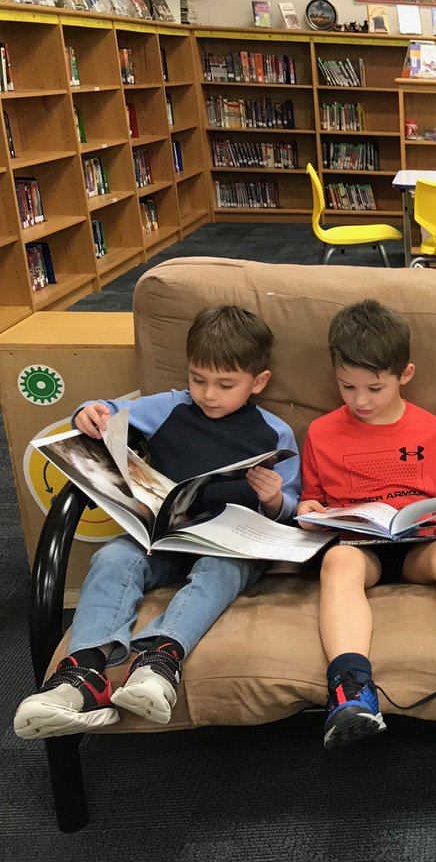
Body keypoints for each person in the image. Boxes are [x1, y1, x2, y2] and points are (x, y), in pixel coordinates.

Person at [14, 305, 299, 738]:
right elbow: (107, 410)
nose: (207, 394)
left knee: (221, 569)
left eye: (225, 384)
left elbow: (291, 510)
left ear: (258, 382)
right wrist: (88, 413)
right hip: (162, 540)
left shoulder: (275, 433)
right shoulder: (170, 406)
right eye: (197, 378)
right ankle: (83, 674)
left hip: (229, 548)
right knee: (113, 557)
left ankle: (159, 659)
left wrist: (275, 499)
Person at [298, 300, 436, 749]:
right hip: (360, 548)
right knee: (339, 563)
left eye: (374, 388)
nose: (360, 400)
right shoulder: (321, 433)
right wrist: (309, 512)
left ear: (405, 375)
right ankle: (350, 691)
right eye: (347, 387)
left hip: (420, 545)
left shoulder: (434, 430)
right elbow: (311, 498)